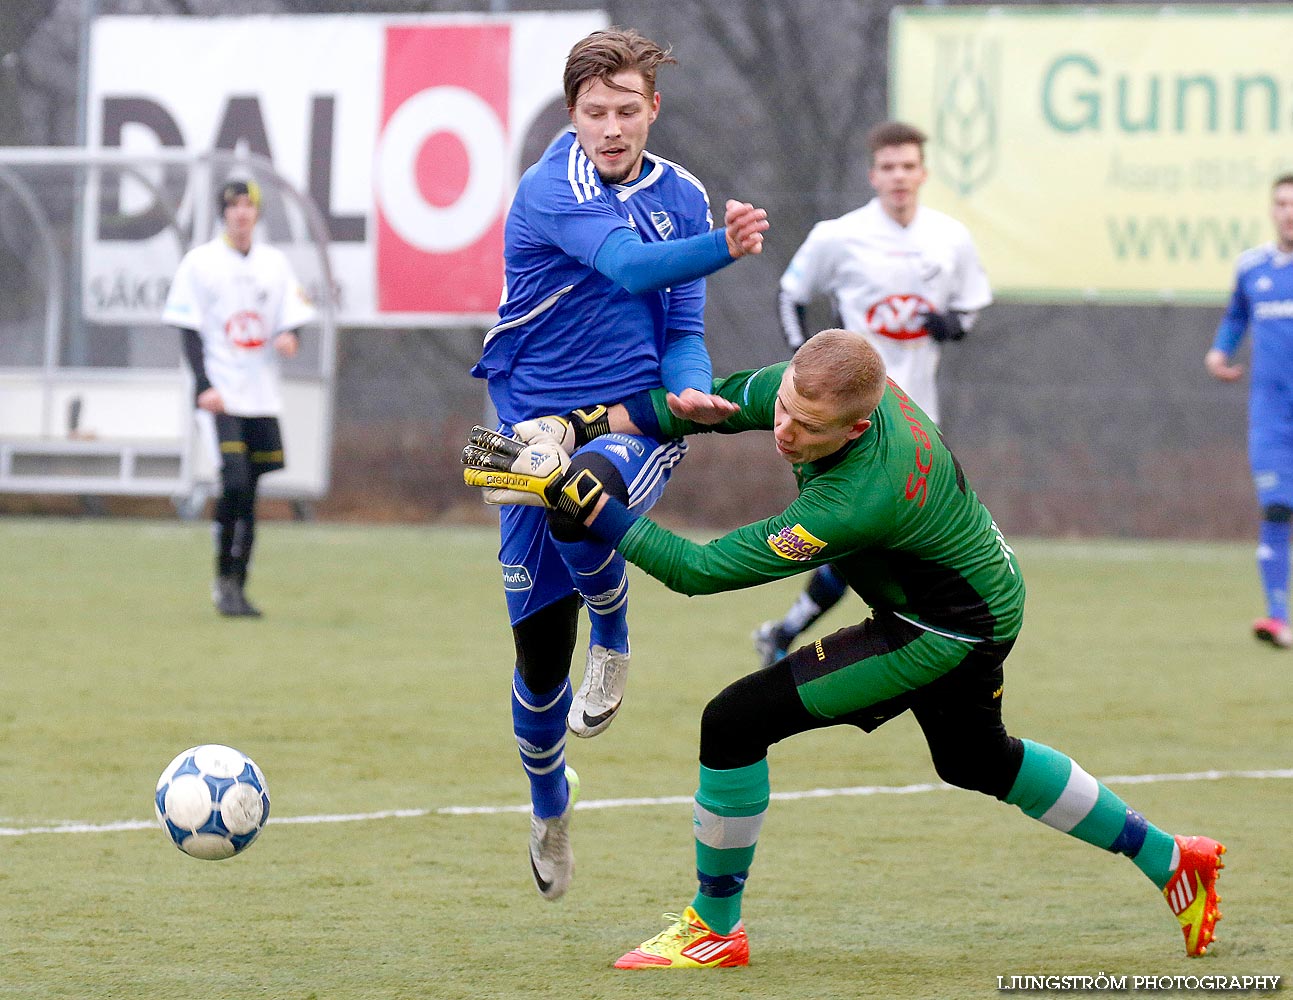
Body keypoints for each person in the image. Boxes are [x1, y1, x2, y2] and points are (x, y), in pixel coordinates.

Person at [463, 328, 1226, 967]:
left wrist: (582, 499)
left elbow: (697, 571)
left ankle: (713, 930)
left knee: (733, 722)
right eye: (784, 409)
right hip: (980, 591)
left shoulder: (858, 497)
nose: (785, 432)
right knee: (973, 759)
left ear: (855, 430)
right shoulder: (813, 385)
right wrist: (586, 426)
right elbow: (703, 406)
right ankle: (1171, 859)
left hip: (945, 627)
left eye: (806, 428)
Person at [468, 27, 767, 901]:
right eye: (594, 112)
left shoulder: (681, 195)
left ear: (652, 110)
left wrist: (694, 391)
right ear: (572, 115)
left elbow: (680, 331)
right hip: (523, 430)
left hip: (630, 427)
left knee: (581, 494)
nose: (610, 127)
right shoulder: (547, 188)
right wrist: (726, 243)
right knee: (533, 664)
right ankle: (549, 804)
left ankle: (616, 633)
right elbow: (631, 266)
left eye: (626, 111)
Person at [753, 121, 992, 669]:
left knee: (872, 535)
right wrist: (803, 366)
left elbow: (971, 304)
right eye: (888, 167)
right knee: (865, 530)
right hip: (853, 417)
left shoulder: (949, 237)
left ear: (923, 173)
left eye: (908, 166)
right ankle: (901, 634)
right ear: (873, 174)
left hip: (918, 418)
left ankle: (789, 632)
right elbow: (791, 295)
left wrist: (951, 324)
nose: (899, 176)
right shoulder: (840, 236)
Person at [162, 179, 315, 618]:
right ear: (222, 213)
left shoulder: (274, 263)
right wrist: (203, 385)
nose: (241, 212)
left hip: (261, 396)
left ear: (257, 213)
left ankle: (237, 584)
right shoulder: (201, 263)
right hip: (221, 396)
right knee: (234, 481)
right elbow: (188, 330)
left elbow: (294, 315)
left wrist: (291, 336)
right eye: (233, 205)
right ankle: (222, 576)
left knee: (250, 493)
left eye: (248, 204)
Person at [1205, 173, 1293, 649]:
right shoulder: (1252, 267)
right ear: (1271, 209)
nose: (1289, 212)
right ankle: (1277, 618)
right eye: (1282, 203)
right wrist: (1221, 351)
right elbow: (1237, 313)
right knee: (1278, 507)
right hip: (1272, 417)